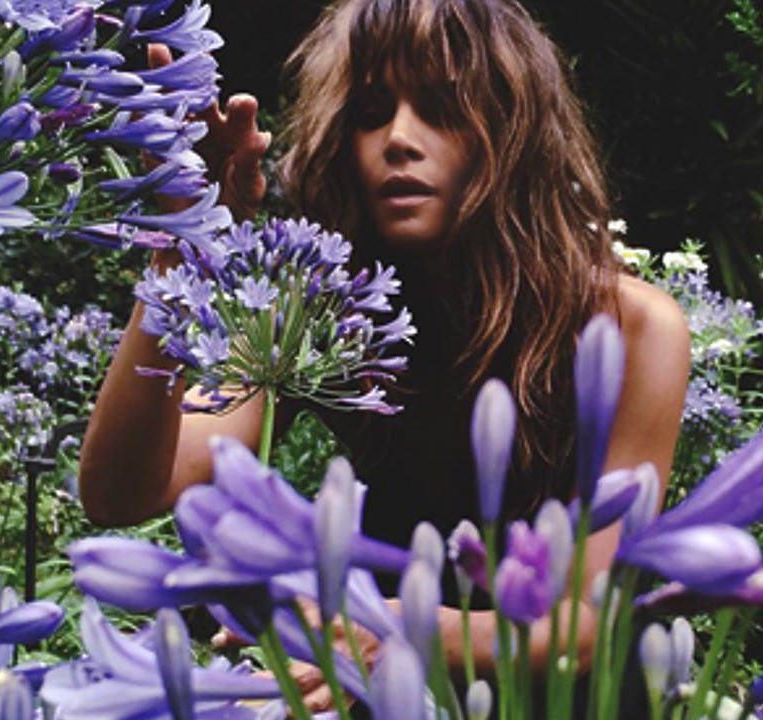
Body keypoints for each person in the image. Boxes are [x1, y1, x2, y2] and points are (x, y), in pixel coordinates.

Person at [78, 0, 690, 713]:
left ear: (513, 131)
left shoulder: (630, 329)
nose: (399, 138)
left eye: (442, 109)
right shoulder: (321, 314)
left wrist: (389, 626)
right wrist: (183, 244)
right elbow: (123, 492)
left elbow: (586, 622)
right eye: (371, 113)